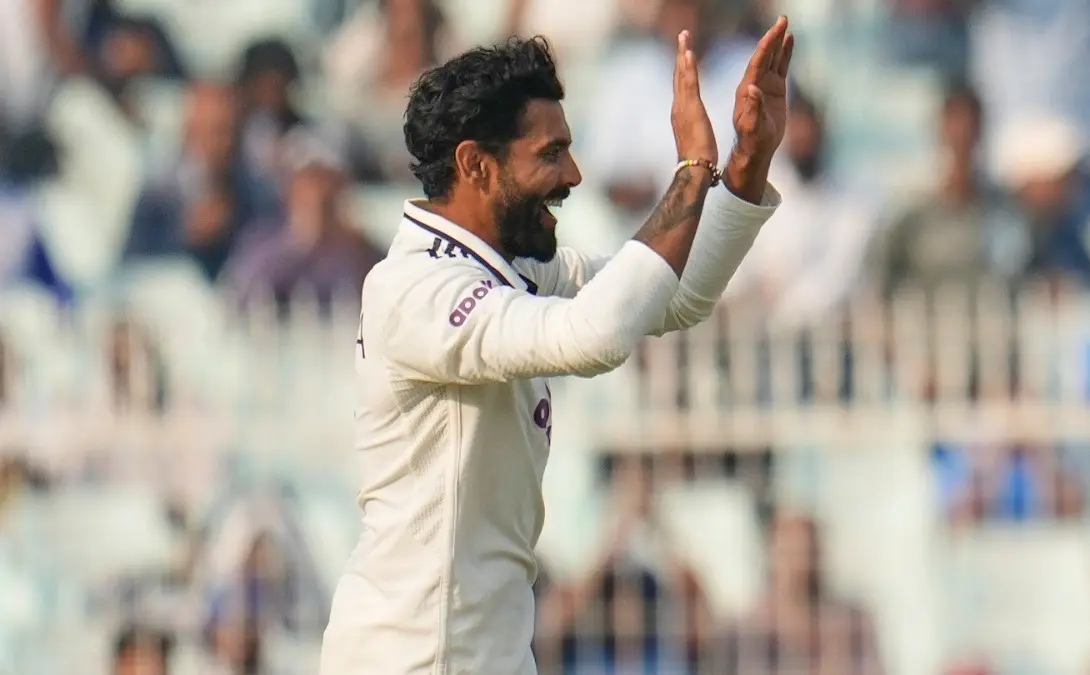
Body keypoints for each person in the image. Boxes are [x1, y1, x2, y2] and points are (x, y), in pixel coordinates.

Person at [319, 17, 793, 675]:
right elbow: (594, 336)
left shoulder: (516, 270)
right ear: (474, 164)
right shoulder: (413, 288)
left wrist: (747, 162)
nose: (573, 173)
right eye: (549, 153)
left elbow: (671, 296)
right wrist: (690, 171)